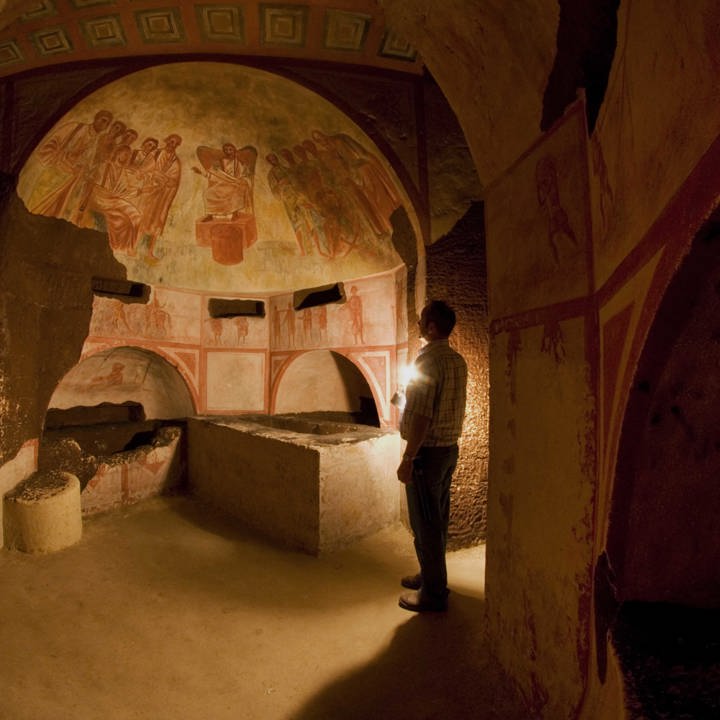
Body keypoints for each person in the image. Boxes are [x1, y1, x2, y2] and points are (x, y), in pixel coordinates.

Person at [397, 300, 467, 612]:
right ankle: (429, 575)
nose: (419, 323)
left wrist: (408, 458)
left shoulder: (428, 362)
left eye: (423, 319)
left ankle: (434, 593)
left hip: (427, 455)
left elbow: (423, 417)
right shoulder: (456, 360)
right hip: (448, 450)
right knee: (435, 519)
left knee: (424, 523)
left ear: (432, 326)